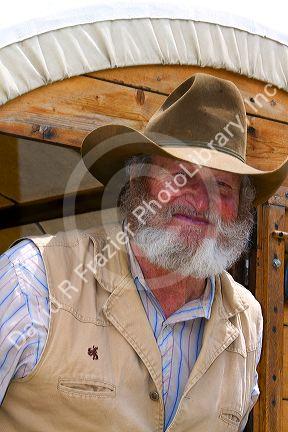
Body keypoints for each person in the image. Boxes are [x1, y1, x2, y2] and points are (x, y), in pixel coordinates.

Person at [0, 73, 287, 431]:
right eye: (182, 176)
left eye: (223, 187)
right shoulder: (32, 279)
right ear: (137, 179)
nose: (201, 200)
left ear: (241, 208)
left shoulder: (248, 321)